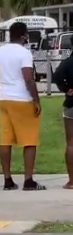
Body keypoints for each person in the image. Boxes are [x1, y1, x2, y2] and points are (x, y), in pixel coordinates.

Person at [0, 22, 45, 191]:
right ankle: (28, 180)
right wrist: (36, 99)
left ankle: (7, 180)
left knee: (5, 140)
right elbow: (28, 78)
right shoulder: (25, 53)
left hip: (5, 98)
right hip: (22, 98)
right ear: (24, 35)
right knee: (29, 140)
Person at [53, 35, 73, 189]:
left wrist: (66, 89)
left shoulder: (67, 63)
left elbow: (57, 76)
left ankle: (72, 181)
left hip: (71, 104)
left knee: (71, 143)